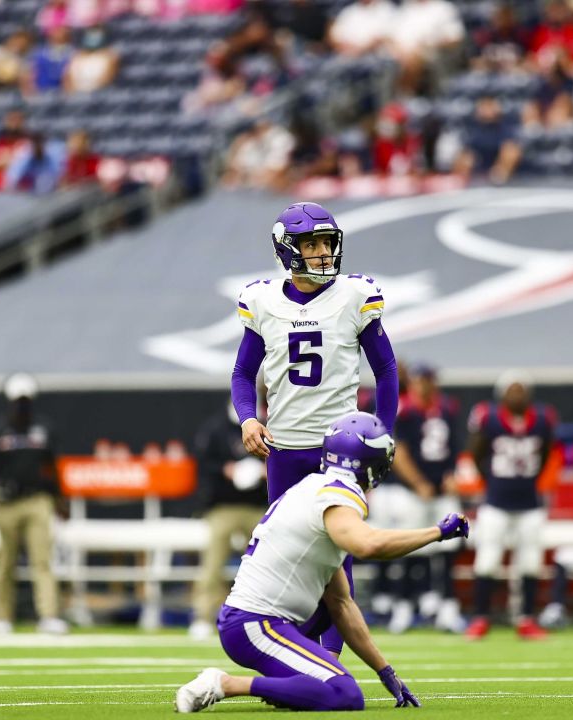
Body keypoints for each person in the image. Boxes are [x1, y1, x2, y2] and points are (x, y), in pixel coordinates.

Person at [174, 412, 469, 713]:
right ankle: (226, 683)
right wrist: (437, 533)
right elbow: (369, 545)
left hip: (257, 621)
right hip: (256, 623)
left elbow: (341, 603)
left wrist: (385, 670)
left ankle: (283, 689)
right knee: (345, 695)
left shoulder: (315, 487)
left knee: (327, 683)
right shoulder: (338, 496)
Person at [232, 201, 400, 657]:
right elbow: (242, 374)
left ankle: (325, 660)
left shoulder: (353, 295)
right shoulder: (263, 300)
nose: (323, 252)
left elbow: (385, 371)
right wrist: (248, 417)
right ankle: (293, 654)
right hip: (284, 450)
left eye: (326, 242)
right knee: (287, 558)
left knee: (337, 563)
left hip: (338, 451)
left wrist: (382, 436)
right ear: (288, 250)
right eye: (311, 244)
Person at [465, 371, 558, 640]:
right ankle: (481, 617)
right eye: (512, 389)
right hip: (496, 502)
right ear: (502, 394)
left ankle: (526, 618)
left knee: (530, 563)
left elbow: (546, 453)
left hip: (529, 503)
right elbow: (477, 452)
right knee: (487, 561)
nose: (517, 394)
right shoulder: (489, 418)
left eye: (521, 389)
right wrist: (490, 481)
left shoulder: (542, 419)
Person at [0, 373, 68, 635]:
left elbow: (53, 467)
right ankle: (2, 616)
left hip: (37, 500)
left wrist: (60, 500)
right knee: (5, 562)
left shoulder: (44, 428)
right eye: (18, 400)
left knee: (42, 559)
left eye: (25, 400)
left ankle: (48, 614)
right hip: (6, 501)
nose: (22, 405)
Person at [394, 364, 465, 632]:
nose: (423, 385)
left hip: (442, 490)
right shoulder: (405, 409)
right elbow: (398, 451)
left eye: (428, 380)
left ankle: (448, 608)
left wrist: (451, 474)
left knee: (447, 552)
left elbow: (456, 445)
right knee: (411, 549)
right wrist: (417, 482)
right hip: (414, 492)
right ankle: (403, 606)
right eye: (419, 380)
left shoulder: (446, 408)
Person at [188, 404, 268, 640]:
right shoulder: (216, 429)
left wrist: (265, 470)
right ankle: (203, 616)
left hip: (257, 507)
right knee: (213, 562)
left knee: (267, 561)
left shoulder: (269, 424)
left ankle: (267, 617)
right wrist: (227, 469)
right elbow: (202, 463)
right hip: (223, 506)